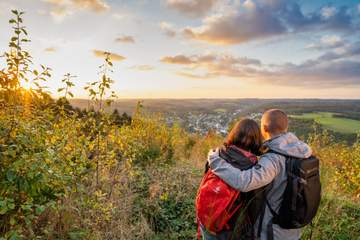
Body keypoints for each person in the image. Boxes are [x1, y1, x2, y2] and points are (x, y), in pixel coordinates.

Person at [208, 109, 313, 240]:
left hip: (272, 230)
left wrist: (215, 160)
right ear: (285, 127)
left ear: (264, 128)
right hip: (292, 226)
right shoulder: (301, 151)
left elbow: (244, 182)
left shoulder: (274, 159)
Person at [196, 119, 262, 240]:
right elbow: (253, 203)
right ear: (256, 140)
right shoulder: (251, 167)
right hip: (227, 226)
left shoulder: (217, 154)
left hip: (204, 218)